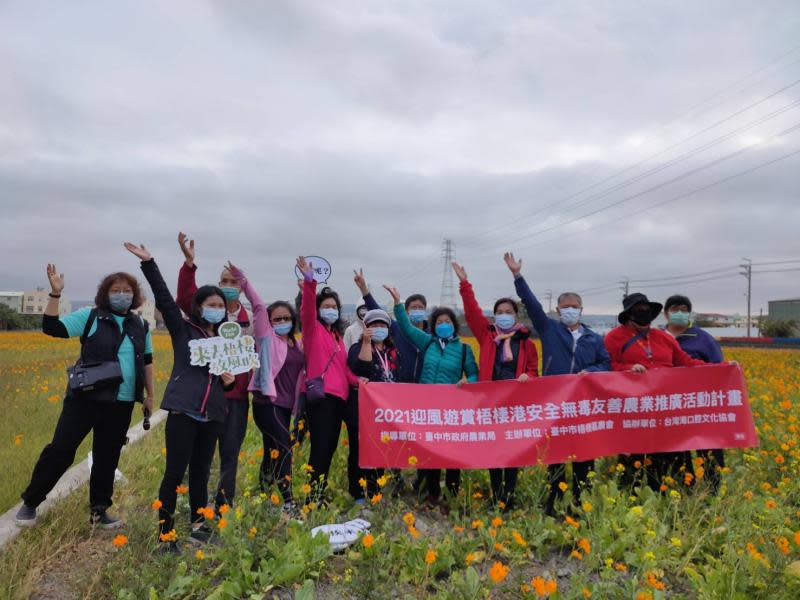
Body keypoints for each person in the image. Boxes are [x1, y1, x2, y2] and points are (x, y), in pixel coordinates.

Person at [16, 264, 154, 528]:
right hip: (85, 400)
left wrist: (149, 395)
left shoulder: (141, 325)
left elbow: (147, 360)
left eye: (127, 290)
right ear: (105, 293)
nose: (122, 294)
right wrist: (55, 295)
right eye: (116, 290)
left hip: (122, 402)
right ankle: (31, 502)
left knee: (107, 455)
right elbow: (51, 327)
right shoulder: (90, 317)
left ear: (134, 295)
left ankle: (99, 510)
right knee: (61, 451)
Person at [125, 242, 235, 554]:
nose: (216, 308)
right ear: (199, 307)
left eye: (220, 305)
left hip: (213, 414)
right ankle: (166, 533)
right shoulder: (183, 329)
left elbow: (226, 381)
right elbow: (165, 300)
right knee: (175, 472)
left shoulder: (226, 340)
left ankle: (199, 525)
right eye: (210, 303)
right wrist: (150, 264)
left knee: (201, 470)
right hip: (184, 412)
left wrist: (229, 382)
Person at [503, 252, 611, 515]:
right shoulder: (550, 329)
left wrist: (591, 371)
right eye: (565, 307)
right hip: (556, 405)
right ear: (558, 310)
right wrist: (517, 275)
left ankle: (580, 503)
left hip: (584, 407)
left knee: (585, 457)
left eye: (575, 306)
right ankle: (552, 504)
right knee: (556, 458)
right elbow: (531, 303)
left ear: (581, 310)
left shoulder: (594, 338)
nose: (570, 310)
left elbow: (606, 364)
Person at [452, 261, 538, 511]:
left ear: (516, 315)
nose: (504, 314)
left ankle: (508, 497)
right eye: (499, 311)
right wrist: (465, 284)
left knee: (513, 451)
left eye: (508, 311)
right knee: (493, 450)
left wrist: (528, 378)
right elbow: (472, 314)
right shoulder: (488, 336)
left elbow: (533, 370)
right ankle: (495, 495)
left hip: (515, 404)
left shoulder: (526, 343)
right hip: (491, 403)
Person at [385, 284, 479, 507]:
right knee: (430, 451)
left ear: (454, 326)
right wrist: (398, 303)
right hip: (429, 408)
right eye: (439, 322)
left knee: (452, 453)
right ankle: (433, 494)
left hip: (453, 409)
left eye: (447, 322)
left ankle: (453, 496)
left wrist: (468, 381)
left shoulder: (464, 349)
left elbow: (474, 374)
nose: (443, 325)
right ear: (434, 326)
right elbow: (407, 328)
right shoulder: (428, 343)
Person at [176, 233, 252, 510]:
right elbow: (185, 297)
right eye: (225, 281)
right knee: (201, 456)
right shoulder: (208, 313)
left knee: (230, 453)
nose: (229, 286)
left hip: (237, 398)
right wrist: (189, 265)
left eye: (235, 282)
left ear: (242, 287)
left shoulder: (251, 318)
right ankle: (197, 505)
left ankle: (223, 504)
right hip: (205, 396)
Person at [604, 292, 705, 491]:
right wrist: (628, 369)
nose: (644, 314)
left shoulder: (662, 337)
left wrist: (722, 368)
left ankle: (678, 492)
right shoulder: (614, 338)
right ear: (629, 314)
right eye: (638, 310)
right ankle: (630, 493)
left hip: (665, 407)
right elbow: (607, 366)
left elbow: (686, 362)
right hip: (635, 408)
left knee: (672, 451)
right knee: (635, 453)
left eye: (647, 310)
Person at [226, 263, 305, 514]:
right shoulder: (266, 337)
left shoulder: (295, 343)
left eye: (286, 318)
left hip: (285, 407)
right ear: (269, 321)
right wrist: (243, 280)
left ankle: (265, 495)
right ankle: (288, 502)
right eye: (277, 318)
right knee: (285, 448)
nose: (281, 321)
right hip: (266, 402)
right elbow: (258, 306)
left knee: (272, 449)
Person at [353, 269, 429, 495]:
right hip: (398, 395)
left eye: (420, 308)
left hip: (425, 396)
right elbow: (378, 314)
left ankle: (420, 483)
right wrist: (365, 291)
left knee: (422, 441)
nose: (416, 312)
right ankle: (394, 479)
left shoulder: (432, 337)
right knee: (394, 437)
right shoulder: (400, 332)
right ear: (405, 313)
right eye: (412, 308)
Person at [296, 257, 360, 504]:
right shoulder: (313, 330)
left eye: (335, 306)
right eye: (327, 306)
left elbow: (343, 369)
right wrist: (310, 282)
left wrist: (359, 381)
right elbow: (307, 310)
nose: (331, 309)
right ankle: (313, 498)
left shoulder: (337, 337)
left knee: (330, 448)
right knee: (321, 449)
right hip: (322, 398)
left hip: (339, 400)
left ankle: (318, 494)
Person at [663, 294, 726, 492]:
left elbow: (718, 368)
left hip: (700, 405)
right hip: (669, 405)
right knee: (675, 450)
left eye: (684, 309)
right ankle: (683, 490)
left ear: (689, 313)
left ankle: (712, 491)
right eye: (675, 309)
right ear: (666, 314)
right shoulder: (657, 338)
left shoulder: (702, 338)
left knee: (709, 448)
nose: (679, 313)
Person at [347, 309, 397, 501]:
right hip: (360, 410)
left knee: (380, 450)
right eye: (374, 325)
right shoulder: (356, 348)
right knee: (358, 451)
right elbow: (361, 368)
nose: (379, 329)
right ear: (366, 328)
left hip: (384, 412)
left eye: (382, 325)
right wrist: (367, 343)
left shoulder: (393, 351)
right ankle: (357, 492)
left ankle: (375, 490)